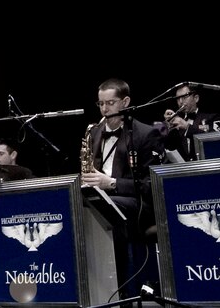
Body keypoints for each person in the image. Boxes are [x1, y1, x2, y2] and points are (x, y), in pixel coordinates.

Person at [80, 78, 165, 299]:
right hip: (102, 198)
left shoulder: (146, 134)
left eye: (110, 103)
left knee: (109, 209)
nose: (105, 109)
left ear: (126, 102)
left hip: (136, 203)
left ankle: (124, 290)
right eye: (101, 104)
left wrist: (111, 183)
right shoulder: (94, 132)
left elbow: (151, 185)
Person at [162, 84, 220, 162]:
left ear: (196, 98)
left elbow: (218, 141)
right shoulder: (176, 120)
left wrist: (187, 127)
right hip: (182, 170)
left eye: (184, 97)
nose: (181, 102)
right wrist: (166, 125)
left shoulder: (212, 118)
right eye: (178, 99)